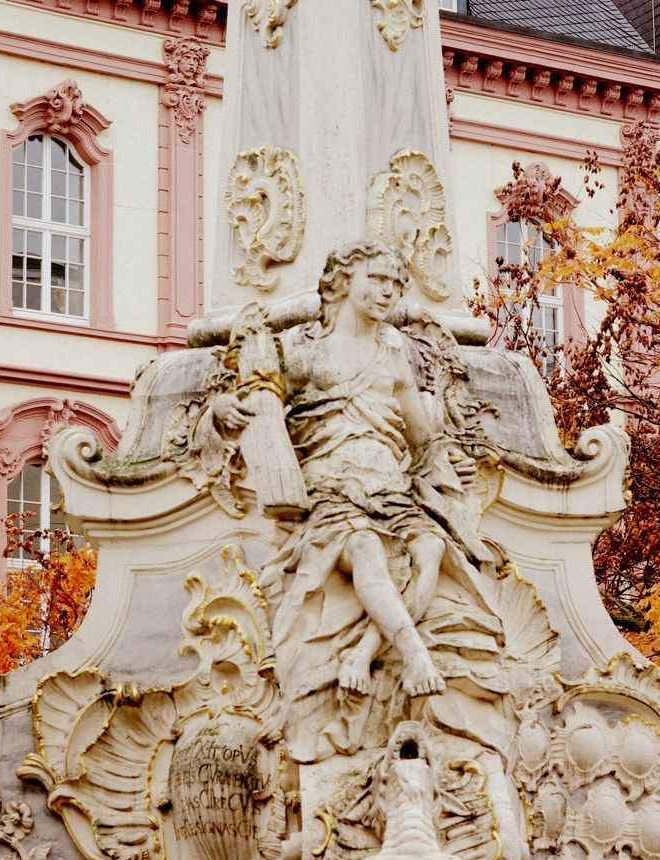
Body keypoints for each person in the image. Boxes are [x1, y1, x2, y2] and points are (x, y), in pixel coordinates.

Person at [214, 240, 505, 762]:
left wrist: (449, 458)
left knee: (431, 555)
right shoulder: (305, 348)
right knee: (367, 550)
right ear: (343, 281)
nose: (387, 293)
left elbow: (421, 435)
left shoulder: (394, 351)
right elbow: (255, 394)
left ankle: (366, 649)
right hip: (334, 490)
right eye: (377, 280)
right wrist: (222, 408)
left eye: (396, 285)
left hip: (391, 490)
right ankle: (414, 656)